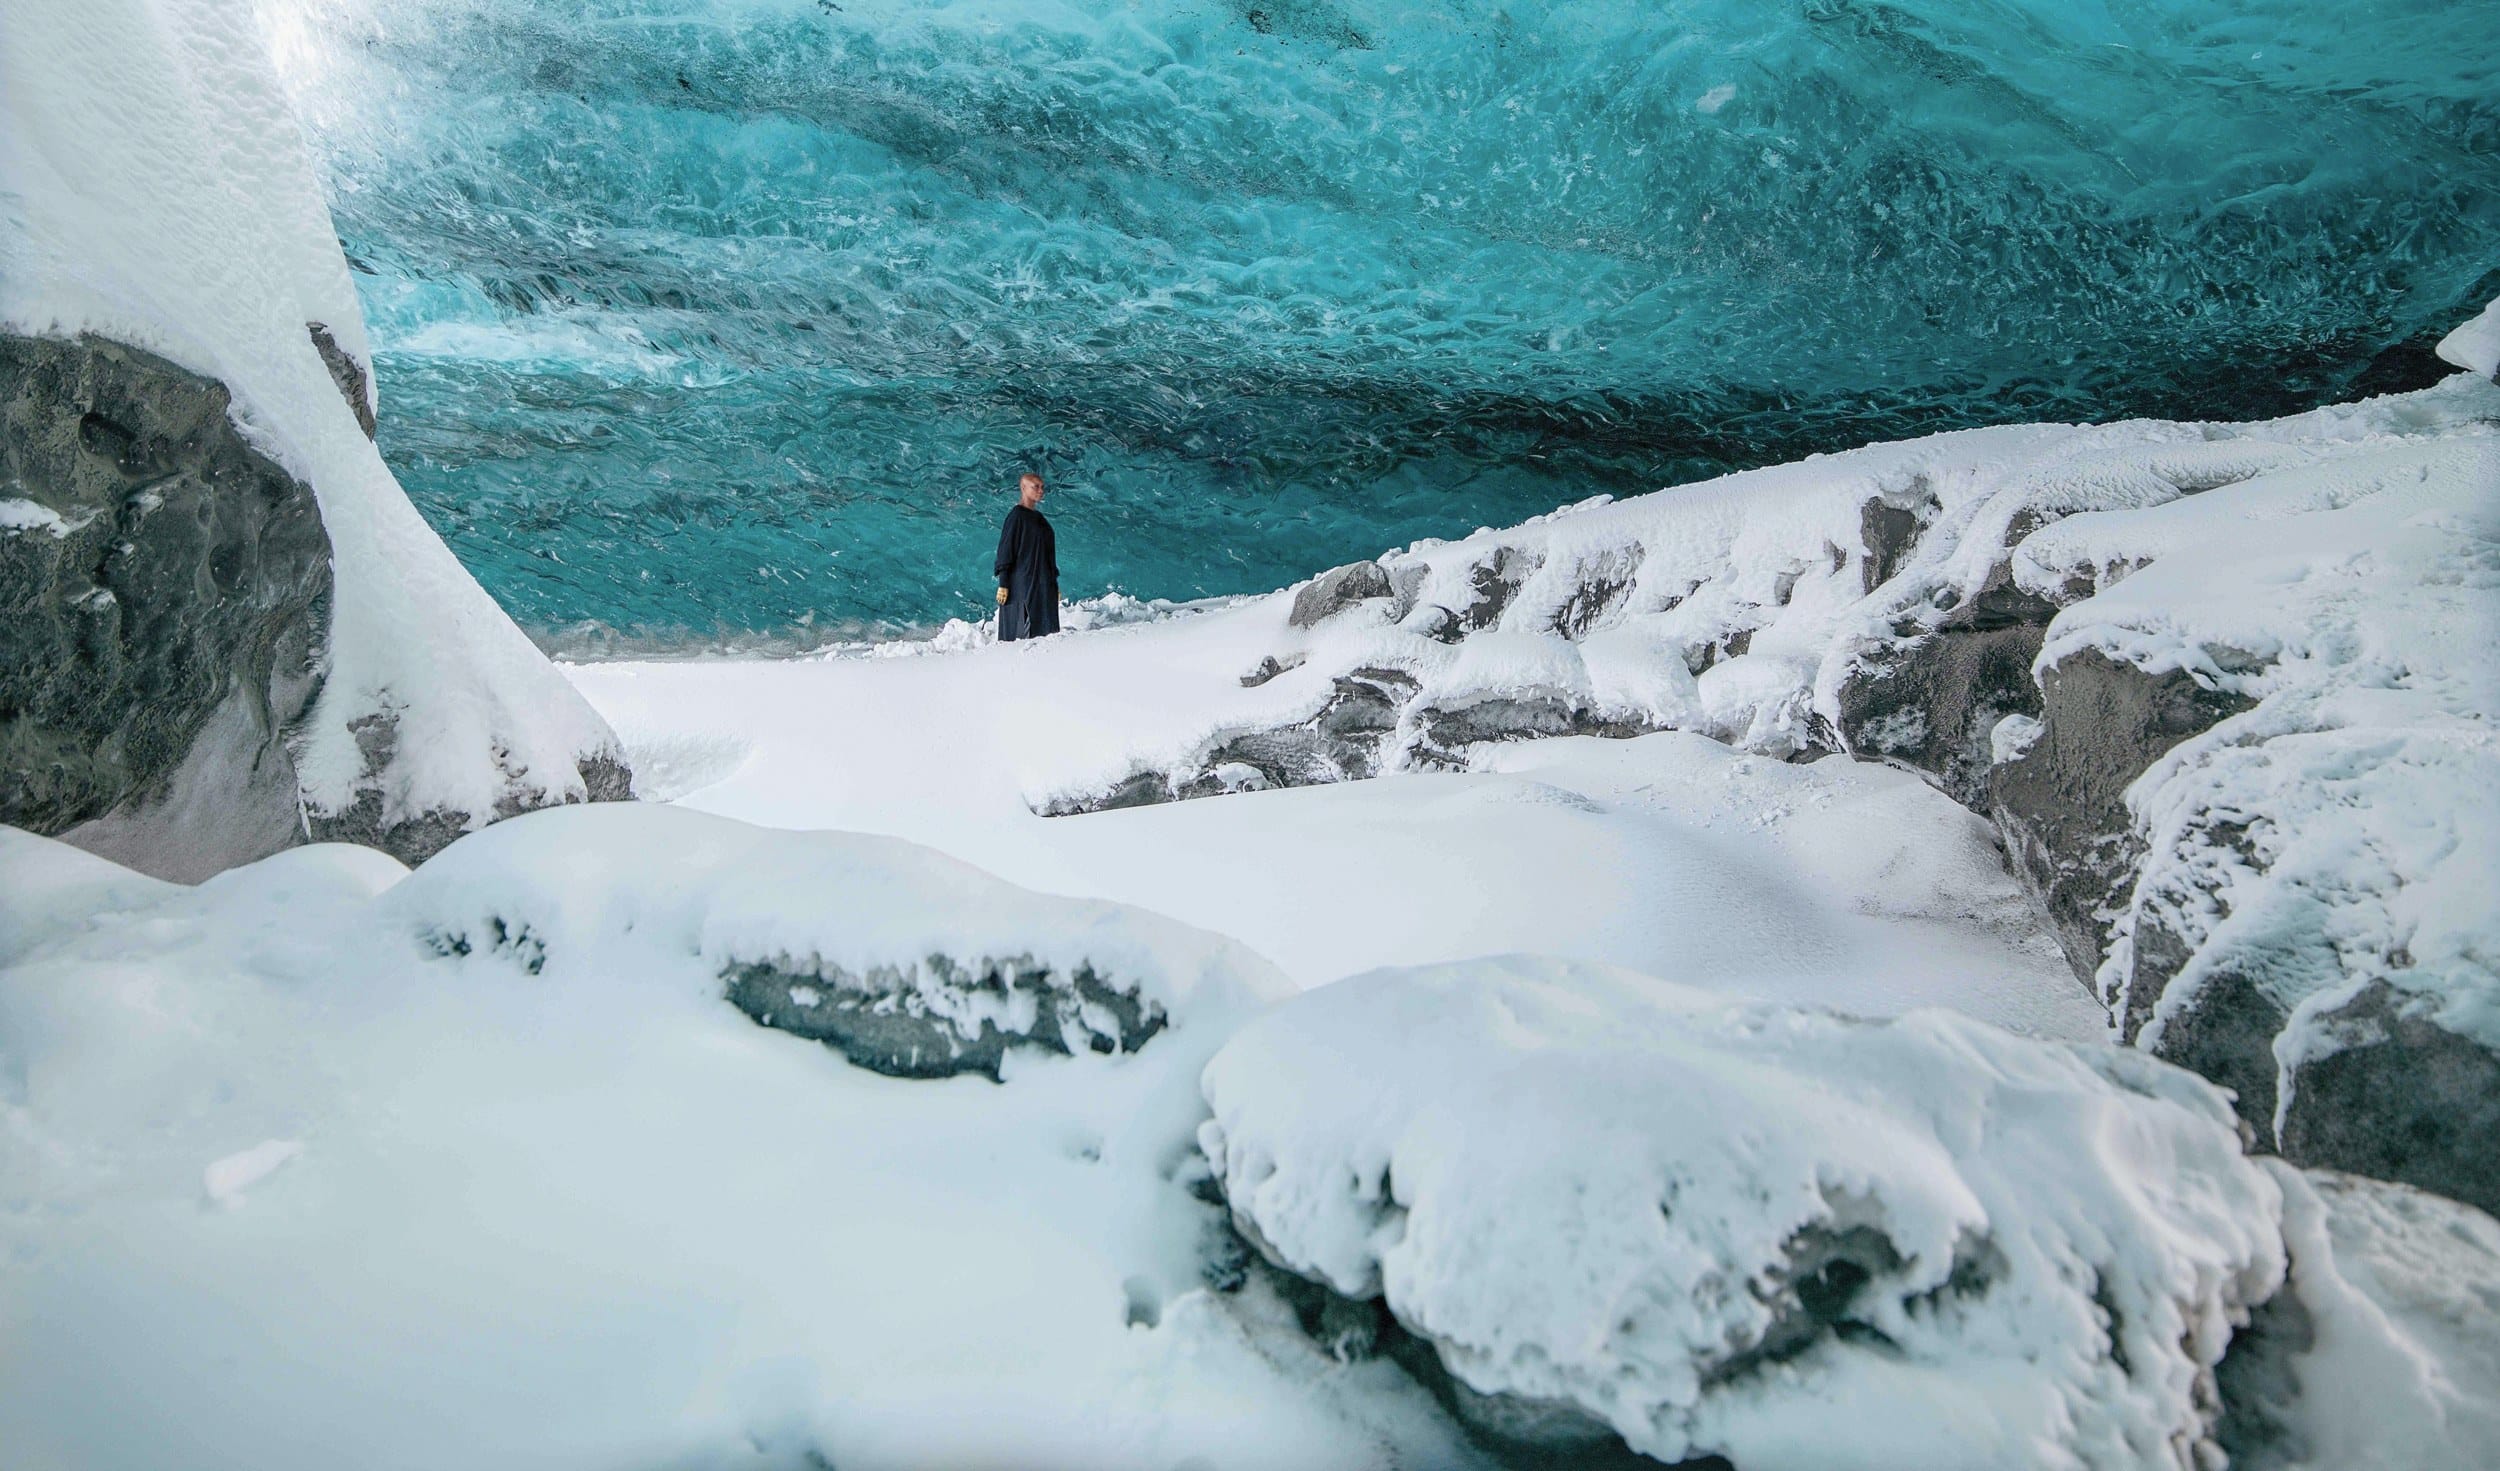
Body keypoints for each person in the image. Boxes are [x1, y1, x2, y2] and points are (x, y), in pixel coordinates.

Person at [992, 471, 1060, 641]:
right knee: (1023, 630)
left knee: (1044, 631)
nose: (1040, 490)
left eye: (1042, 487)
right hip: (1023, 583)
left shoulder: (1040, 519)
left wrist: (1053, 582)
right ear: (1023, 488)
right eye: (1035, 486)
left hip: (1042, 582)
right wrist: (1003, 583)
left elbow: (1048, 553)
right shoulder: (1016, 516)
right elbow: (1006, 550)